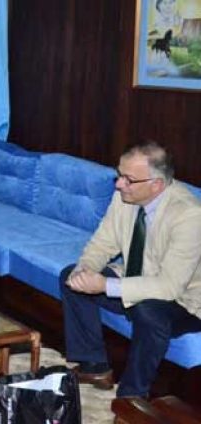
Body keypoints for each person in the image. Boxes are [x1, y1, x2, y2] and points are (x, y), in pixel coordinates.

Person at [60, 140, 201, 399]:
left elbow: (169, 286)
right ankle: (94, 366)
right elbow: (103, 242)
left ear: (156, 185)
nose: (118, 184)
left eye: (128, 179)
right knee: (71, 276)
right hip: (137, 279)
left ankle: (131, 397)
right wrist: (86, 269)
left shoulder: (189, 215)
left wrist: (104, 286)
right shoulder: (124, 197)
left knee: (148, 310)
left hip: (185, 301)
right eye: (119, 175)